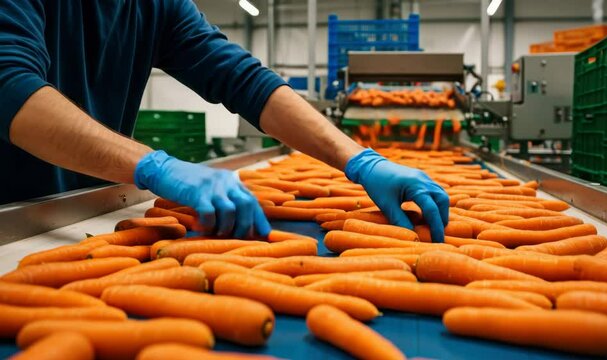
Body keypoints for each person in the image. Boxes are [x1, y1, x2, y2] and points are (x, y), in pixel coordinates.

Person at [0, 1, 449, 241]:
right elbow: (9, 86)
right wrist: (157, 167)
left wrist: (361, 161)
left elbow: (242, 79)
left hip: (78, 214)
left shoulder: (156, 6)